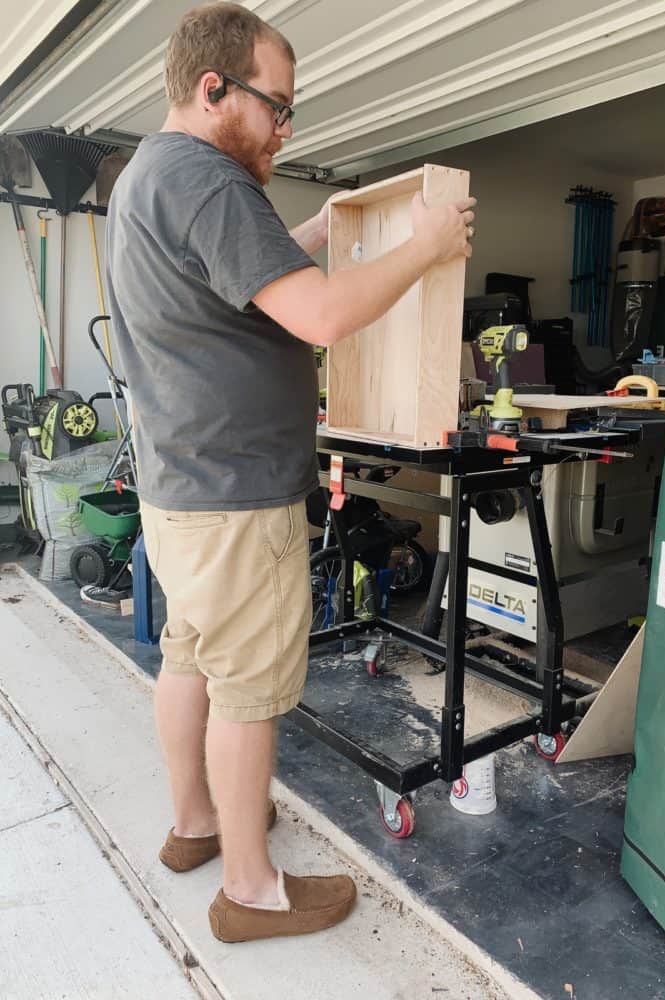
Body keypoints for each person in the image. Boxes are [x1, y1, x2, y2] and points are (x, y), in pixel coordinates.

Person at [105, 2, 475, 944]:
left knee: (191, 657)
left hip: (181, 491)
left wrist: (311, 230)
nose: (284, 128)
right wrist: (424, 245)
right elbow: (319, 318)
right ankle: (251, 889)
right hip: (237, 497)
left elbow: (242, 285)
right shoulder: (209, 181)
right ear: (212, 88)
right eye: (278, 107)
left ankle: (196, 822)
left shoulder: (151, 174)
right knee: (248, 690)